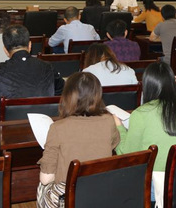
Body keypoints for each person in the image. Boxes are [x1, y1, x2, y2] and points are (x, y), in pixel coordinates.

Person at [114, 62, 176, 205]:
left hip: (153, 187)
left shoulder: (141, 114)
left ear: (147, 86)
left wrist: (119, 127)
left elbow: (128, 156)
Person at [36, 72, 120, 208]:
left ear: (67, 96)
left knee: (42, 185)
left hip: (69, 197)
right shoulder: (109, 121)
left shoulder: (58, 127)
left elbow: (46, 179)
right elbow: (113, 144)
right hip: (100, 191)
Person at [0, 25, 64, 119]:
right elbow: (61, 89)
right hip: (45, 123)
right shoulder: (48, 67)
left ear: (5, 50)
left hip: (8, 125)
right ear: (30, 45)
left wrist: (0, 91)